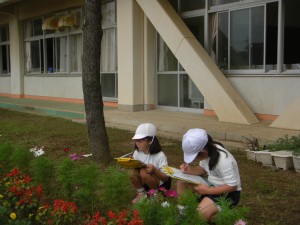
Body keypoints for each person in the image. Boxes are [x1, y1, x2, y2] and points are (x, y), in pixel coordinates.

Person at [177, 128, 241, 221]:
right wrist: (191, 171)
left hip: (227, 194)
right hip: (210, 186)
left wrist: (208, 191)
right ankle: (183, 214)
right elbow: (203, 169)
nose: (194, 159)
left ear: (203, 150)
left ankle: (223, 215)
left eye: (194, 156)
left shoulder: (224, 160)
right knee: (181, 182)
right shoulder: (208, 152)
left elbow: (232, 186)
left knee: (200, 214)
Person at [130, 123, 170, 204]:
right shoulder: (137, 152)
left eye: (140, 140)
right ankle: (142, 192)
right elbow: (135, 170)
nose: (137, 143)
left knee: (143, 172)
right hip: (145, 182)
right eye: (136, 140)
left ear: (150, 141)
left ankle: (155, 195)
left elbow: (166, 178)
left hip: (160, 184)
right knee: (132, 173)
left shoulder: (160, 155)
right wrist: (131, 163)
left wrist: (155, 170)